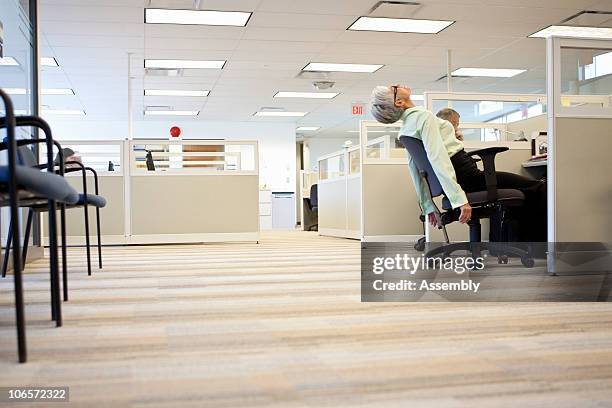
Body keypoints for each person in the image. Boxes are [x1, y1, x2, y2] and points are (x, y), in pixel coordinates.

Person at [370, 85, 547, 242]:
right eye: (394, 88)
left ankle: (528, 241)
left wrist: (427, 205)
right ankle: (545, 246)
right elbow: (437, 157)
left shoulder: (406, 129)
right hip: (466, 175)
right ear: (399, 102)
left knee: (528, 188)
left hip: (462, 173)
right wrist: (459, 199)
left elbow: (415, 170)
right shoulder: (423, 117)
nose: (398, 85)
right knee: (538, 187)